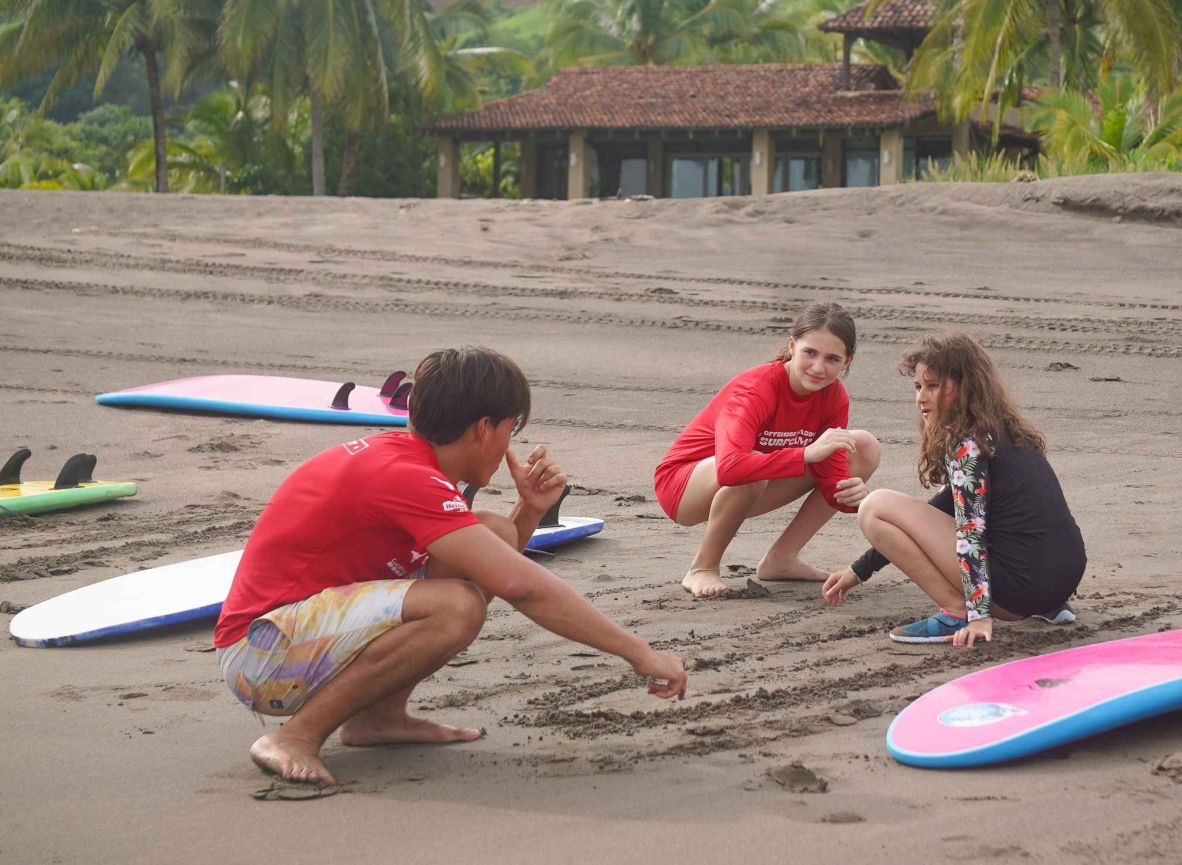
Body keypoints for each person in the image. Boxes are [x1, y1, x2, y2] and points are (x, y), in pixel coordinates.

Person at [214, 346, 687, 786]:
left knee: (494, 533)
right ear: (484, 428)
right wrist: (639, 652)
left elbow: (495, 565)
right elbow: (520, 584)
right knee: (455, 608)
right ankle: (293, 737)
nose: (509, 447)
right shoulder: (407, 477)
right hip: (262, 655)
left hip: (296, 634)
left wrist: (529, 511)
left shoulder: (406, 460)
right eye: (510, 431)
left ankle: (377, 719)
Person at [822, 332, 1086, 645]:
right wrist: (860, 569)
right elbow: (942, 507)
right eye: (918, 386)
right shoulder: (1003, 431)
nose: (921, 397)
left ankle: (956, 612)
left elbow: (969, 532)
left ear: (965, 386)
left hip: (1020, 591)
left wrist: (979, 617)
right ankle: (1049, 607)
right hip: (1061, 581)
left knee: (874, 507)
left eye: (933, 386)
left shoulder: (967, 445)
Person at [655, 302, 882, 598]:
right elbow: (730, 468)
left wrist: (857, 499)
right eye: (810, 352)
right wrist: (806, 454)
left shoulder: (835, 397)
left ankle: (781, 559)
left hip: (749, 482)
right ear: (792, 346)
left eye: (832, 359)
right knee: (752, 468)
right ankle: (702, 568)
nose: (818, 367)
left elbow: (831, 482)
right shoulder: (757, 388)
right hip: (684, 486)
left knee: (863, 446)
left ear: (847, 362)